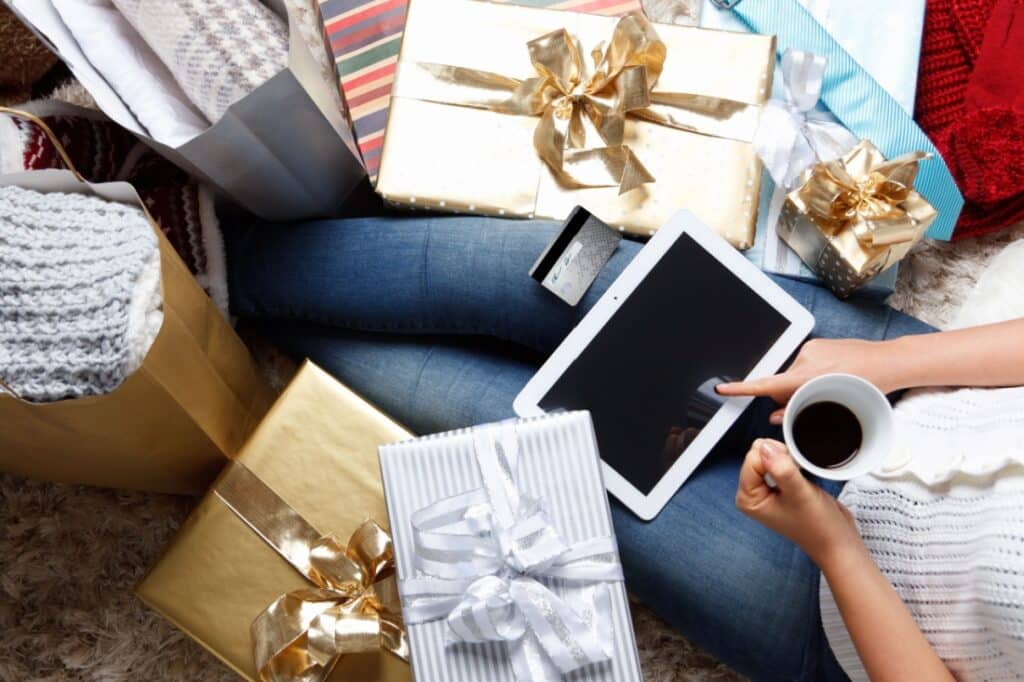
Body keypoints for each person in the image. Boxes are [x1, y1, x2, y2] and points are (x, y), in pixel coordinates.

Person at [224, 215, 1024, 680]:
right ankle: (219, 248)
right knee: (530, 275)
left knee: (486, 417)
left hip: (840, 602)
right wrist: (883, 362)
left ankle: (217, 300)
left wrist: (835, 547)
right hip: (909, 385)